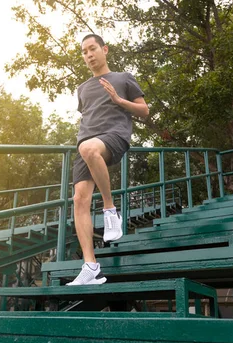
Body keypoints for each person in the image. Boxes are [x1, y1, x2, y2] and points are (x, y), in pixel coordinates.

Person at [67, 34, 149, 286]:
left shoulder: (123, 78)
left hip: (114, 136)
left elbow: (144, 111)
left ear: (104, 49)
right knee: (79, 200)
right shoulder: (82, 88)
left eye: (92, 49)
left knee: (90, 149)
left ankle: (110, 209)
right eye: (83, 52)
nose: (88, 55)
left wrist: (119, 100)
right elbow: (88, 115)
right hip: (86, 144)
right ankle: (91, 267)